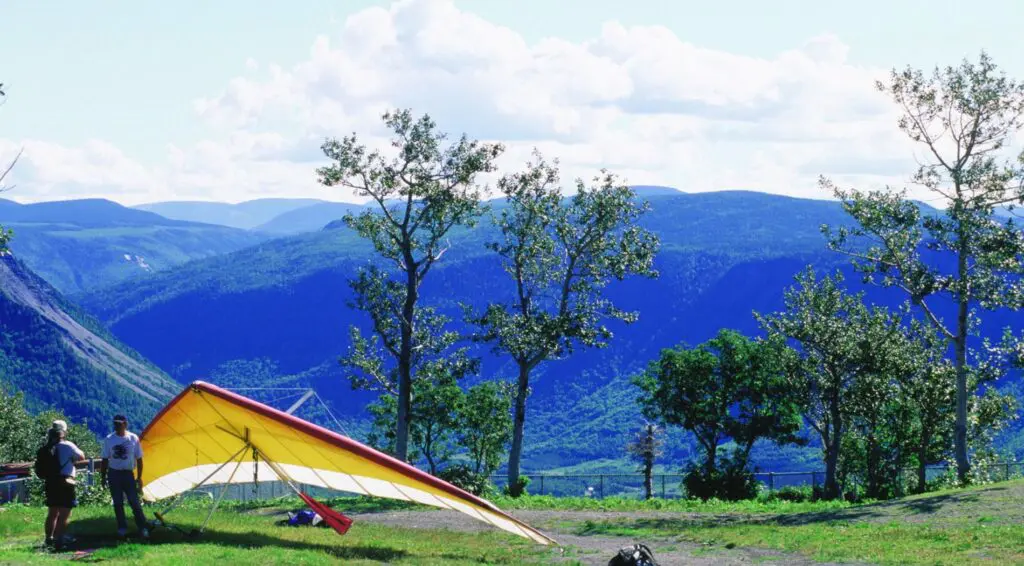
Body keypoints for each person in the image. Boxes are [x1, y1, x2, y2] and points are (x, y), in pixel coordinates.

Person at [36, 420, 85, 550]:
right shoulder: (68, 445)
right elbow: (81, 456)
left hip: (51, 482)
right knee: (64, 514)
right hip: (66, 482)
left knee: (52, 513)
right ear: (64, 432)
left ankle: (49, 539)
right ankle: (59, 540)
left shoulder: (46, 448)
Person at [100, 415, 149, 539]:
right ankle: (122, 528)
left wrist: (139, 477)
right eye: (115, 424)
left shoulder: (133, 438)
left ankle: (143, 527)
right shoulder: (109, 439)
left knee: (134, 501)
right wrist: (103, 477)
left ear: (125, 424)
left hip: (128, 474)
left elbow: (139, 459)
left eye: (119, 424)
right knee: (118, 503)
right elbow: (104, 459)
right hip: (114, 473)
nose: (117, 426)